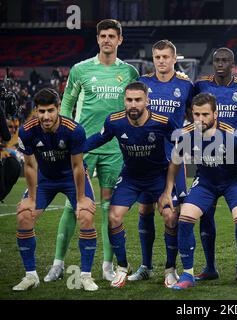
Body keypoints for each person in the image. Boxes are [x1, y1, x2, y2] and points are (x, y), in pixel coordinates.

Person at [45, 19, 139, 283]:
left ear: (120, 39)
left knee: (110, 207)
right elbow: (66, 105)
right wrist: (62, 137)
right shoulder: (80, 69)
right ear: (97, 39)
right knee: (73, 205)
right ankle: (58, 263)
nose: (107, 40)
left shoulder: (130, 73)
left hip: (114, 149)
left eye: (112, 36)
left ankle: (107, 266)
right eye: (103, 36)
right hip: (82, 148)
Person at [158, 93, 237, 290]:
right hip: (206, 182)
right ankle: (187, 274)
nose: (200, 119)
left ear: (216, 113)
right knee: (185, 218)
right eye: (196, 114)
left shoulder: (232, 135)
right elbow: (174, 163)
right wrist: (167, 191)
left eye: (205, 114)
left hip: (233, 182)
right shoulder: (186, 133)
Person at [84, 81, 180, 288]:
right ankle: (122, 267)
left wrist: (169, 187)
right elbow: (96, 140)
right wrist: (74, 148)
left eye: (138, 100)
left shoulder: (163, 122)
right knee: (113, 216)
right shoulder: (114, 121)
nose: (133, 104)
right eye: (129, 100)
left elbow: (180, 150)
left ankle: (171, 269)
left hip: (158, 176)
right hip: (131, 177)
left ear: (147, 101)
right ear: (124, 101)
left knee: (171, 216)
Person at [13, 88, 97, 291]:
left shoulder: (74, 130)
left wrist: (81, 199)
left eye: (50, 110)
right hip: (45, 179)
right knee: (24, 215)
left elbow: (77, 166)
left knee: (85, 215)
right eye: (41, 111)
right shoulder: (27, 131)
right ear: (36, 111)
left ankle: (85, 276)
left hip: (71, 178)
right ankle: (31, 276)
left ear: (59, 108)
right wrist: (31, 198)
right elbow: (30, 166)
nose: (46, 116)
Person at [130, 40, 193, 283]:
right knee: (144, 209)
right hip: (145, 160)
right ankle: (145, 266)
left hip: (173, 160)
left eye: (166, 56)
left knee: (171, 214)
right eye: (157, 57)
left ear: (174, 59)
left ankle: (170, 268)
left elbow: (195, 113)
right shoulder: (144, 84)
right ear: (153, 59)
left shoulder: (185, 85)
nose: (161, 61)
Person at [193, 47, 237, 281]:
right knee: (205, 214)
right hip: (207, 158)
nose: (220, 64)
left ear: (233, 63)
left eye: (225, 60)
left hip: (235, 161)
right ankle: (210, 267)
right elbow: (192, 109)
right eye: (216, 60)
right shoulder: (201, 85)